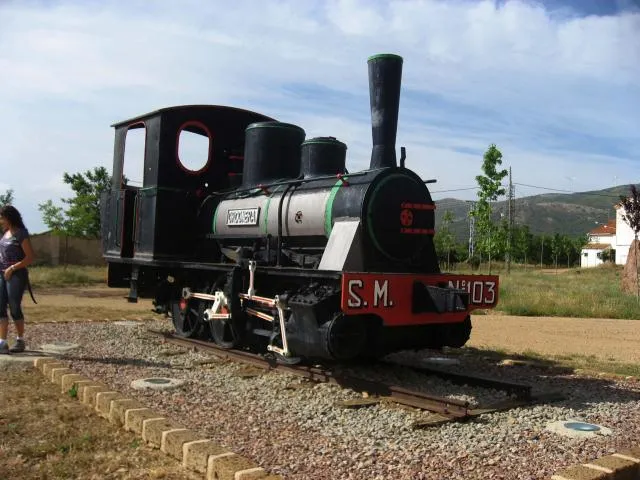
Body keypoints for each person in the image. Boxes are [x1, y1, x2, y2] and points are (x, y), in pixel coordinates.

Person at [0, 205, 35, 354]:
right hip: (1, 273)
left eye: (2, 217)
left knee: (14, 307)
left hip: (16, 275)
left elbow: (30, 257)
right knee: (0, 307)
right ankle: (2, 342)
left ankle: (20, 340)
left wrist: (12, 268)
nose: (0, 220)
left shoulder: (21, 233)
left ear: (9, 217)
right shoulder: (5, 233)